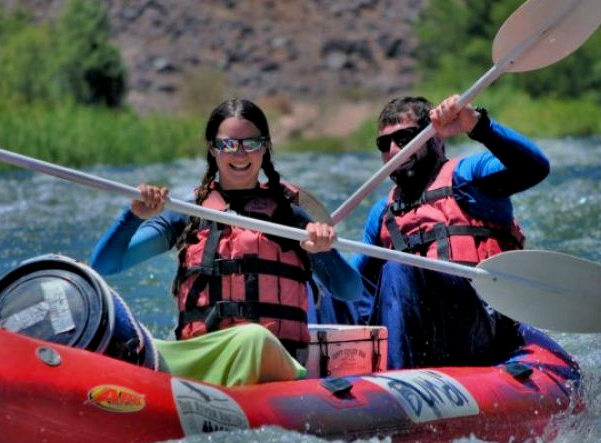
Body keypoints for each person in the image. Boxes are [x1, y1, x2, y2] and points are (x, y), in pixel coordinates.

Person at [91, 97, 363, 386]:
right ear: (212, 148)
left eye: (251, 143)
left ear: (265, 147)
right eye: (228, 145)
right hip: (204, 358)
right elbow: (105, 264)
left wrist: (323, 252)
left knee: (253, 338)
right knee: (137, 347)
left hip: (267, 356)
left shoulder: (290, 217)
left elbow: (351, 290)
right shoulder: (188, 214)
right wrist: (133, 216)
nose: (240, 154)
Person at [350, 94, 551, 369]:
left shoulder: (467, 176)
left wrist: (477, 125)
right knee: (327, 287)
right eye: (385, 143)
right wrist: (317, 254)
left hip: (481, 326)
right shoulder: (382, 212)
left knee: (399, 267)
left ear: (436, 138)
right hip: (419, 336)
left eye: (405, 138)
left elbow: (535, 167)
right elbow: (350, 285)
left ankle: (392, 383)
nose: (394, 151)